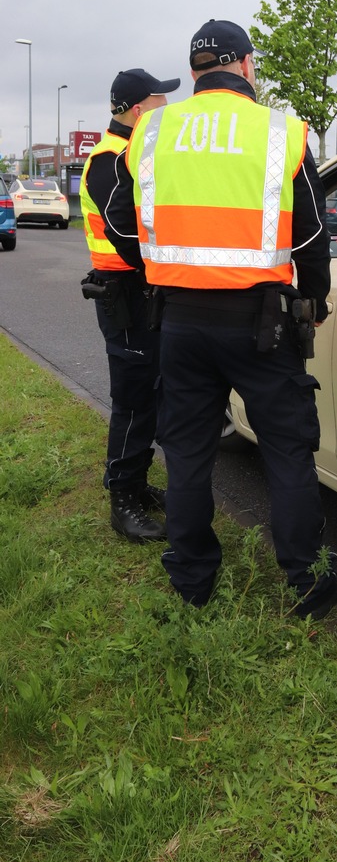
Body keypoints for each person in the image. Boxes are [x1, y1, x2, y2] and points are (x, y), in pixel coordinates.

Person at [105, 19, 337, 618]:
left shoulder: (155, 129)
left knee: (188, 451)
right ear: (245, 65)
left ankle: (192, 581)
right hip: (261, 322)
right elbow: (315, 234)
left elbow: (117, 220)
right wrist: (314, 301)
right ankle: (306, 581)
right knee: (287, 450)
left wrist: (159, 269)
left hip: (180, 321)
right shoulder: (282, 131)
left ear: (195, 71)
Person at [80, 67, 181, 542]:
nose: (168, 111)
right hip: (124, 295)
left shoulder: (133, 154)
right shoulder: (109, 160)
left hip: (141, 294)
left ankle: (137, 485)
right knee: (133, 398)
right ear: (139, 110)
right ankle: (122, 497)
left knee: (149, 393)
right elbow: (125, 235)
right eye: (161, 104)